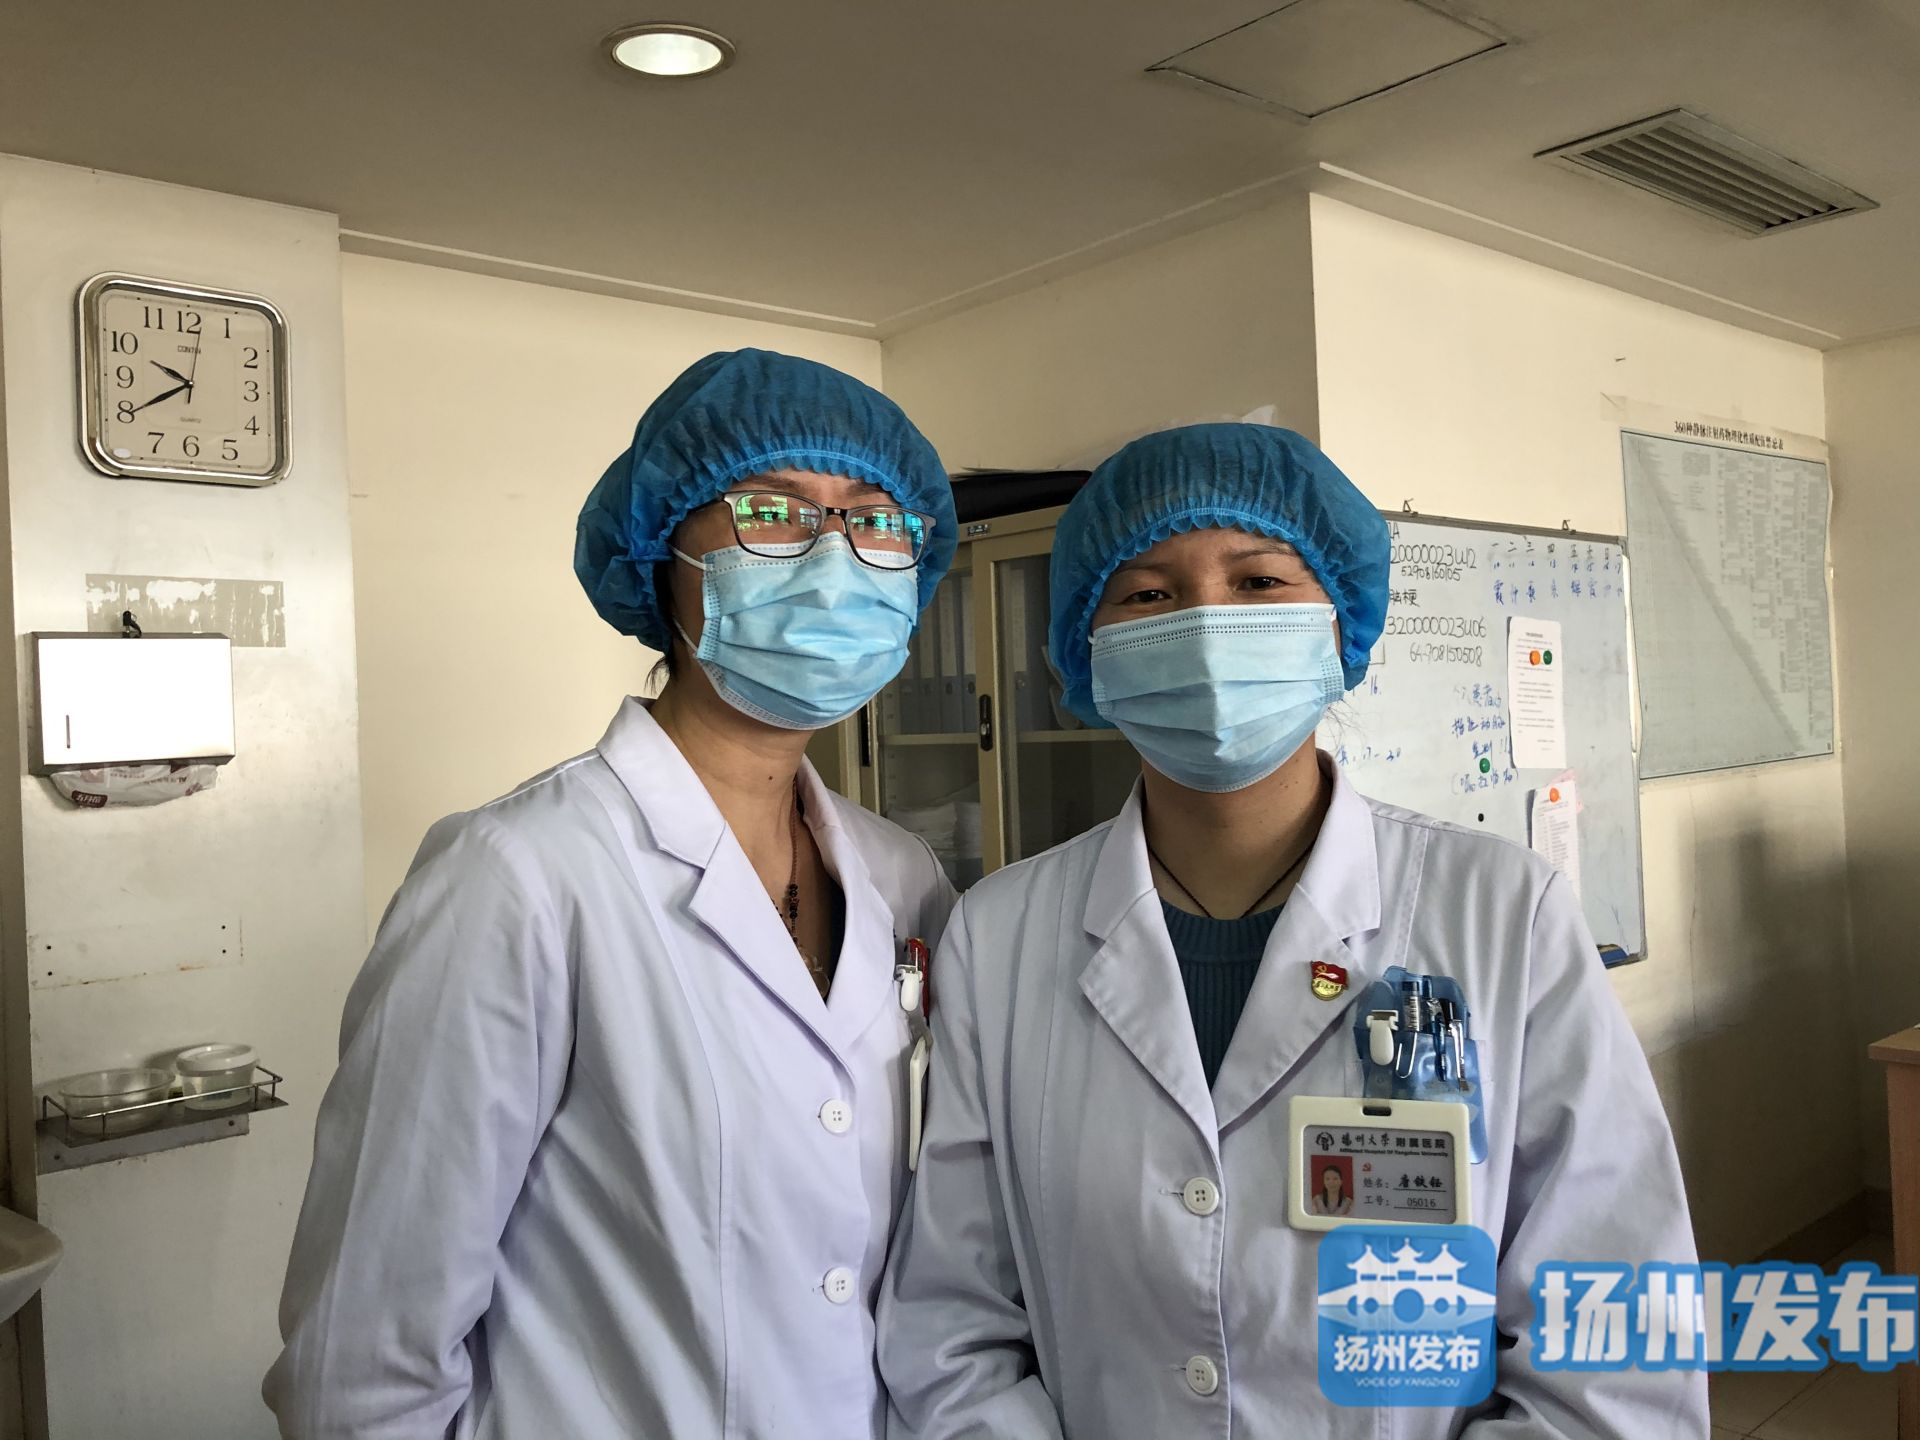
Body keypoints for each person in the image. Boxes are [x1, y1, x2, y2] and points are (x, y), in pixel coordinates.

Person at [878, 424, 1706, 1438]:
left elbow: (1611, 1325)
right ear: (1085, 645)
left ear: (1339, 622)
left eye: (1259, 581)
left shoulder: (1502, 912)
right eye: (1148, 594)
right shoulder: (1002, 933)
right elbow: (953, 1318)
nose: (1205, 623)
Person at [266, 349, 960, 1439]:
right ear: (662, 557)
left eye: (875, 521)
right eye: (771, 511)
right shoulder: (517, 874)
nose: (834, 557)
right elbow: (365, 1358)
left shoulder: (901, 875)